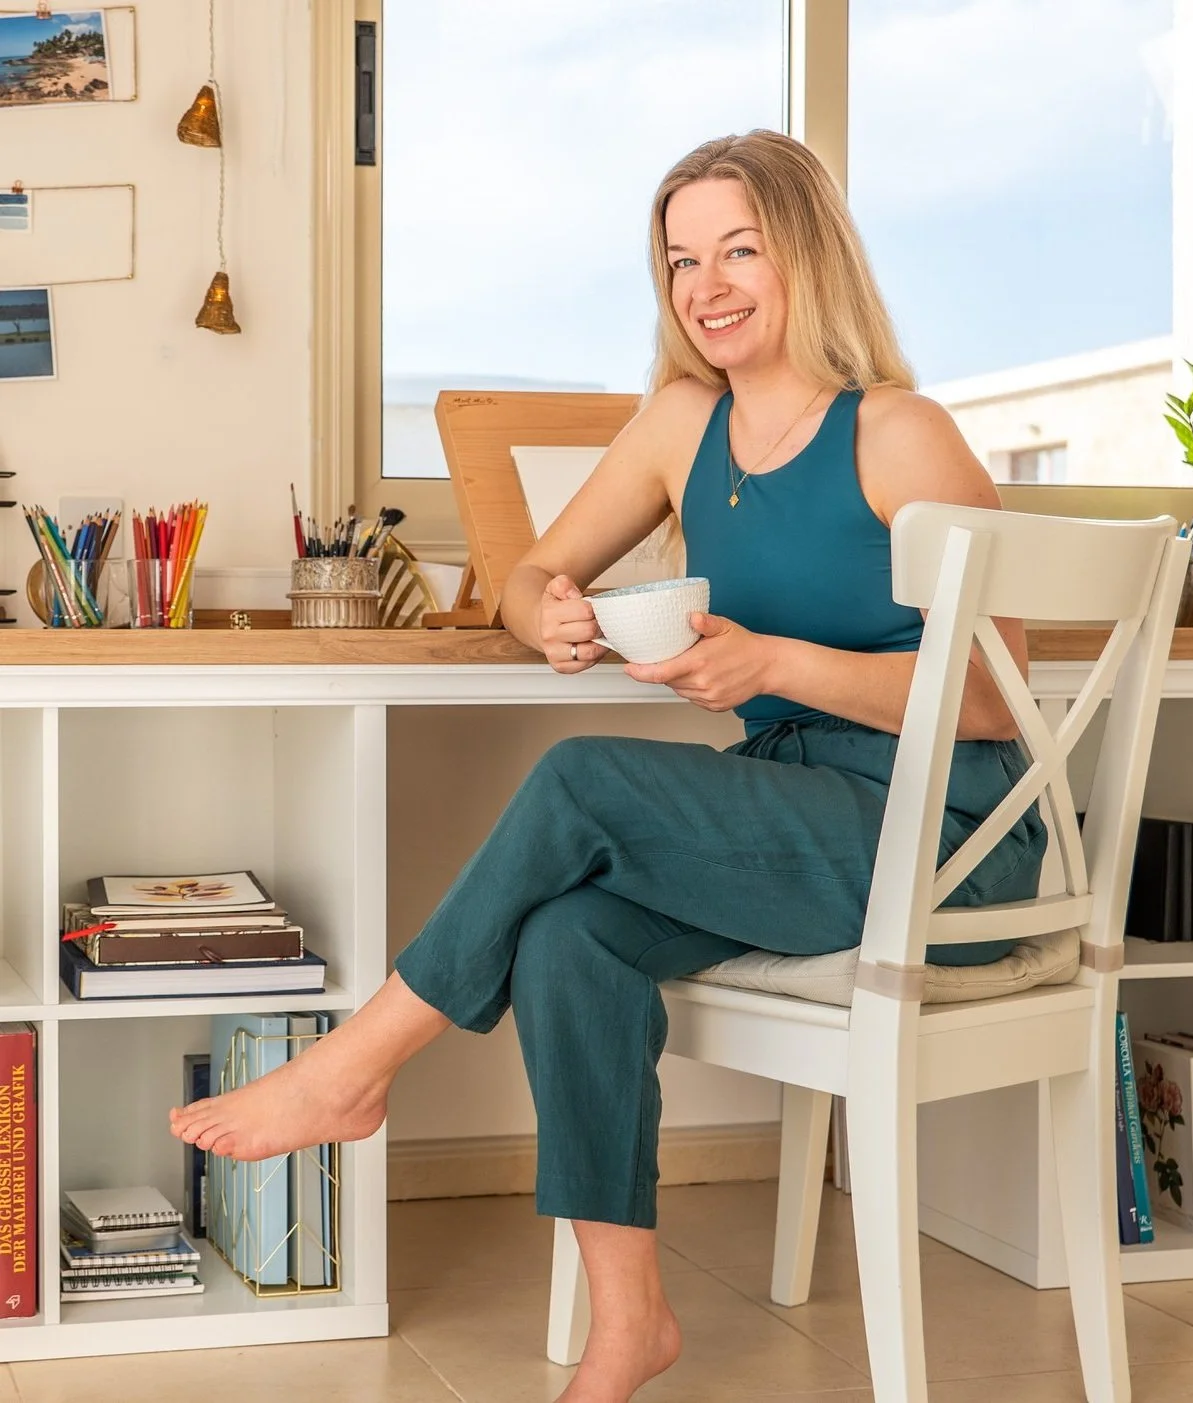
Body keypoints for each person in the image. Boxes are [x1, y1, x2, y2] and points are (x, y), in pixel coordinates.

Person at [170, 129, 1046, 1403]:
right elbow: (529, 572)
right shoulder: (680, 422)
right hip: (808, 814)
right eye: (682, 258)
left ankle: (359, 1061)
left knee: (581, 776)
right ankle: (631, 1323)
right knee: (568, 937)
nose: (708, 283)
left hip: (951, 836)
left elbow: (990, 698)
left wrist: (777, 665)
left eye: (739, 247)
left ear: (807, 253)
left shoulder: (897, 432)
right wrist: (550, 618)